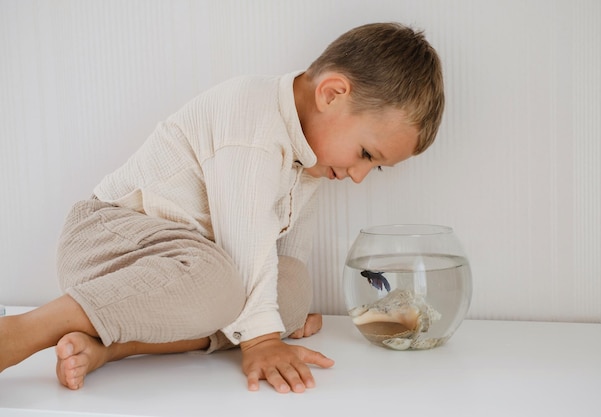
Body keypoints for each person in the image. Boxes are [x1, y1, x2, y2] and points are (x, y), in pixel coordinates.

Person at [0, 22, 444, 393]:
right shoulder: (251, 117)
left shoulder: (310, 154)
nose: (359, 176)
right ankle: (26, 330)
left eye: (376, 169)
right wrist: (263, 339)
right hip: (109, 242)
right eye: (367, 154)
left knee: (289, 287)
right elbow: (245, 233)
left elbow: (285, 246)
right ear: (331, 94)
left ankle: (111, 345)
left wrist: (284, 311)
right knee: (230, 288)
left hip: (187, 267)